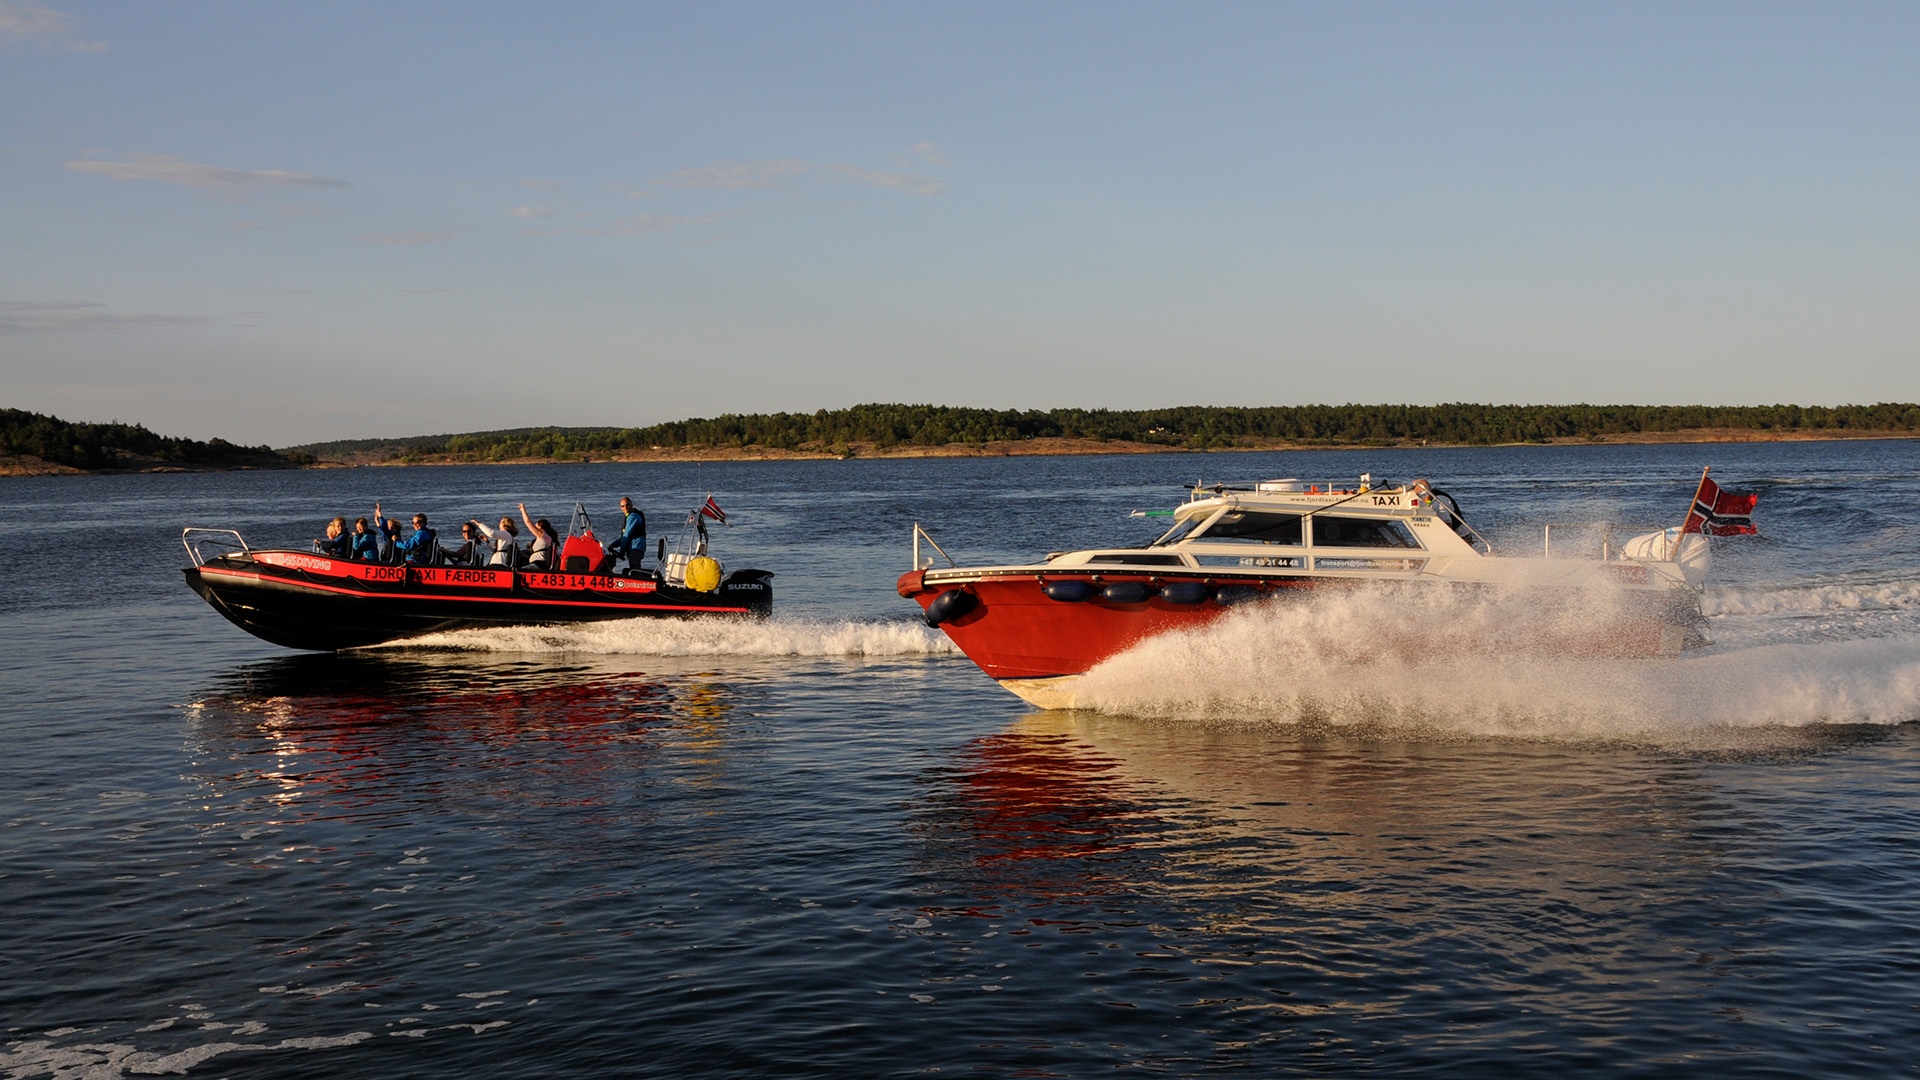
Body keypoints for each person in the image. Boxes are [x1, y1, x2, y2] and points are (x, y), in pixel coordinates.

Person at [605, 496, 647, 569]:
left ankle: (638, 579)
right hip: (634, 546)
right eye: (623, 506)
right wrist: (613, 545)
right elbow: (624, 537)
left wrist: (622, 552)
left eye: (627, 505)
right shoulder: (630, 516)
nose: (625, 507)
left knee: (635, 569)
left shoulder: (633, 516)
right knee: (633, 568)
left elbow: (627, 535)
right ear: (621, 508)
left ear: (631, 505)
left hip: (635, 546)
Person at [519, 503, 557, 570]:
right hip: (535, 562)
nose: (535, 528)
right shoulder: (545, 539)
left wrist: (523, 510)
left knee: (521, 570)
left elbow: (528, 523)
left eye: (536, 527)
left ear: (541, 528)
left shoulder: (543, 535)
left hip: (538, 563)